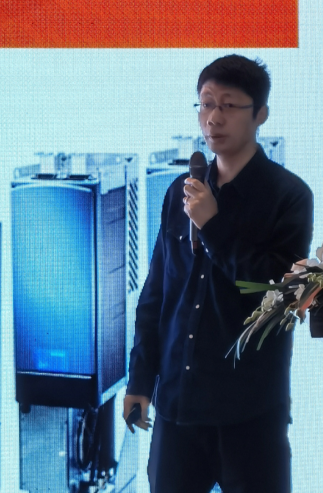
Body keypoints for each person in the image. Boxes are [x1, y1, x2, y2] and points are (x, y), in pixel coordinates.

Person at [123, 54, 314, 493]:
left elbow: (277, 297)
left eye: (228, 105)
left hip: (249, 417)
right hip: (177, 411)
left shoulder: (288, 196)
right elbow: (157, 295)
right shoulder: (180, 192)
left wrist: (213, 226)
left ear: (260, 114)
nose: (213, 118)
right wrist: (140, 381)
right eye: (206, 103)